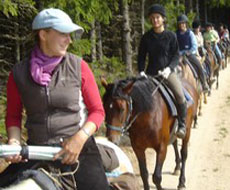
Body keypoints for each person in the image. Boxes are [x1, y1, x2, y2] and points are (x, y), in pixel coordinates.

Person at [0, 8, 110, 190]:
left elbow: (97, 112)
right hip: (37, 150)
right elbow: (13, 115)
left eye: (69, 35)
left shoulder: (79, 67)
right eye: (63, 34)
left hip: (78, 149)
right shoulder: (18, 74)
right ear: (43, 34)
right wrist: (14, 141)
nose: (69, 40)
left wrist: (79, 138)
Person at [137, 4, 187, 139]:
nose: (155, 20)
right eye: (152, 18)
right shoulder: (146, 37)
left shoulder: (171, 36)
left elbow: (176, 55)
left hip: (167, 73)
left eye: (157, 17)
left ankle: (182, 125)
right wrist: (141, 71)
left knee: (180, 95)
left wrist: (169, 69)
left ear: (163, 19)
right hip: (150, 74)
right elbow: (141, 56)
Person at [176, 15, 209, 92]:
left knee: (199, 65)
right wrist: (179, 53)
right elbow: (174, 46)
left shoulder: (190, 33)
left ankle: (204, 84)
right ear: (178, 24)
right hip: (179, 55)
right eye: (181, 23)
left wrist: (188, 52)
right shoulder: (175, 34)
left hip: (189, 54)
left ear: (186, 24)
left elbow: (194, 46)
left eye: (184, 23)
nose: (182, 25)